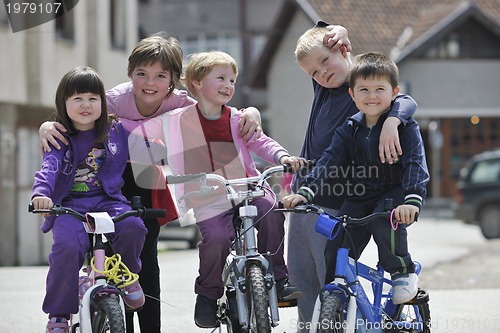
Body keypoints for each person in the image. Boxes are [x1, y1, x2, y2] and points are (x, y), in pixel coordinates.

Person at [38, 33, 263, 333]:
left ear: (173, 80)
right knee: (101, 251)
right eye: (141, 73)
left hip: (145, 177)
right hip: (108, 177)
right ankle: (109, 316)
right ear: (130, 73)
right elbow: (77, 113)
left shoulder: (180, 102)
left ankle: (149, 325)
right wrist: (45, 125)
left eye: (160, 76)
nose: (149, 82)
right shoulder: (114, 100)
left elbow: (217, 110)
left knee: (145, 255)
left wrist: (252, 112)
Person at [122, 50, 306, 328]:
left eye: (232, 80)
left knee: (271, 211)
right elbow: (137, 130)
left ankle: (279, 278)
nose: (228, 85)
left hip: (247, 187)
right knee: (217, 239)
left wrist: (282, 158)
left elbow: (261, 142)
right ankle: (207, 295)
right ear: (195, 82)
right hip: (208, 196)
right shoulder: (175, 119)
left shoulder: (237, 118)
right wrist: (105, 124)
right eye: (220, 78)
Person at [287, 24, 418, 331]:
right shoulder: (324, 86)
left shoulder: (363, 89)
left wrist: (394, 119)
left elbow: (406, 99)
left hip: (335, 199)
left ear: (343, 50)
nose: (321, 73)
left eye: (325, 62)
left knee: (329, 275)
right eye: (313, 72)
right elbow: (317, 34)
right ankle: (308, 327)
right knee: (302, 274)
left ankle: (337, 325)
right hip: (305, 193)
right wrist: (331, 29)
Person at [31, 67, 148, 333]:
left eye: (93, 98)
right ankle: (59, 315)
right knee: (67, 247)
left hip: (108, 201)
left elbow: (149, 138)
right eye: (77, 98)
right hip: (69, 206)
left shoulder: (116, 129)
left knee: (133, 227)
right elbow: (49, 166)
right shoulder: (58, 135)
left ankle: (126, 275)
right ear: (64, 103)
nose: (86, 105)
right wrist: (41, 194)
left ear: (102, 102)